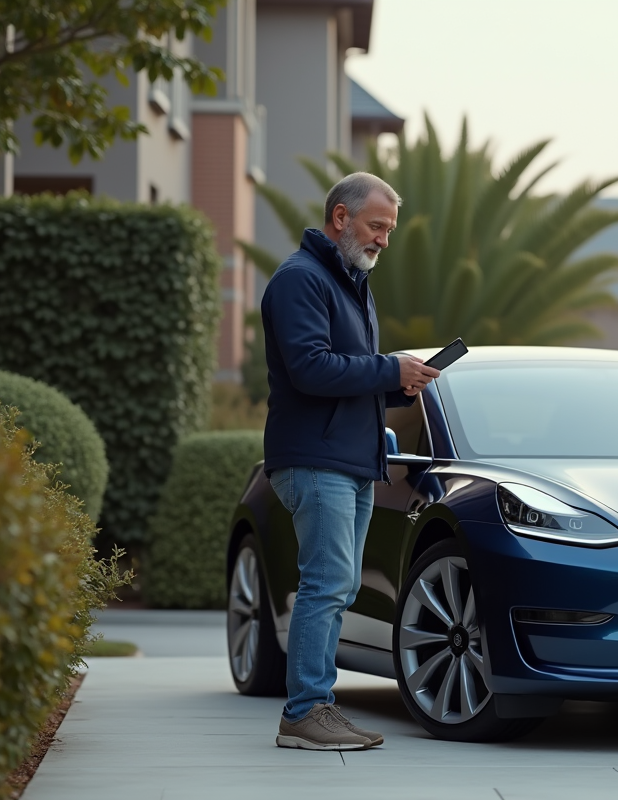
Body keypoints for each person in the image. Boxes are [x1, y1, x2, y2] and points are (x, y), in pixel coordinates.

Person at [260, 172, 439, 751]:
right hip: (317, 461)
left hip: (351, 460)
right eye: (377, 226)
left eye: (389, 228)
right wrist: (389, 368)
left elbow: (340, 376)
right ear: (341, 217)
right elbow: (310, 368)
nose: (385, 239)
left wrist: (396, 388)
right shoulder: (300, 280)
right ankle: (305, 712)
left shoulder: (348, 282)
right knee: (327, 583)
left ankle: (317, 708)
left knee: (336, 587)